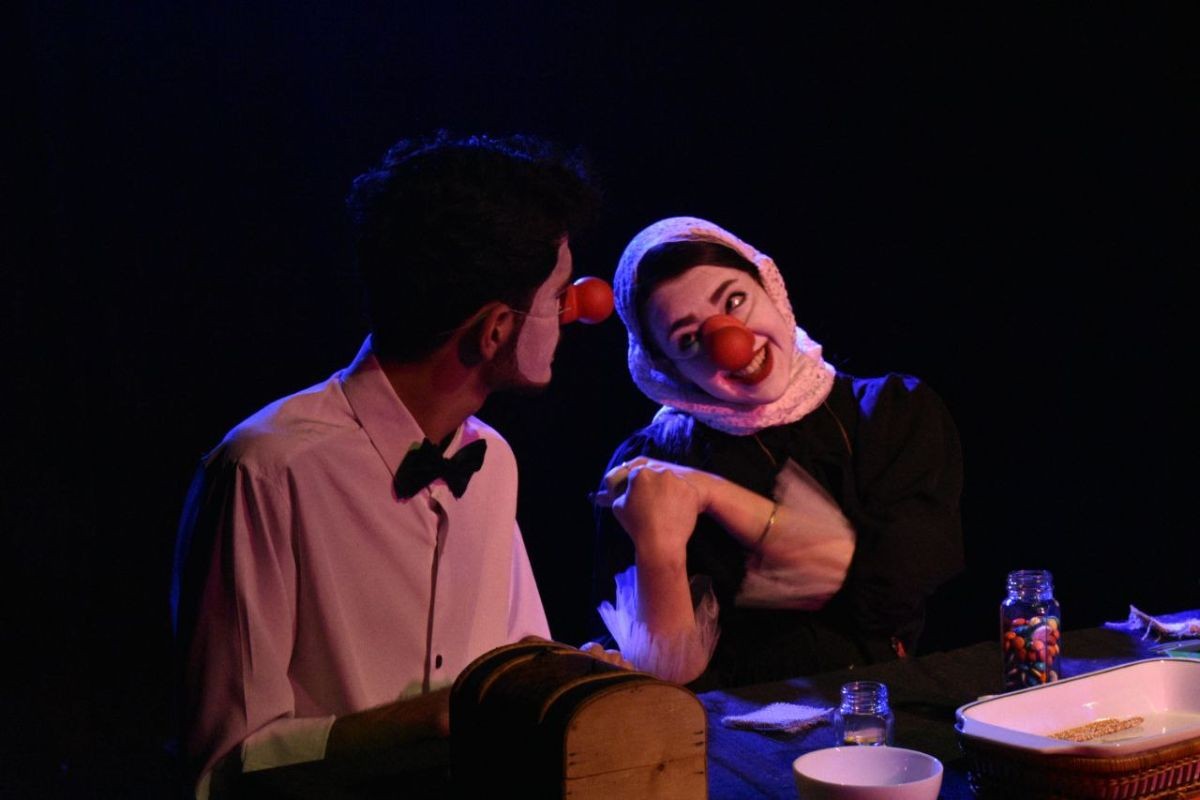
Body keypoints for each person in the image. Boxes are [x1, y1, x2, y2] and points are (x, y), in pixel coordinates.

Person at [170, 130, 622, 799]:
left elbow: (510, 663)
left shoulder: (492, 461)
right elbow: (224, 768)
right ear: (495, 329)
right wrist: (420, 723)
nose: (576, 313)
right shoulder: (267, 470)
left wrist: (563, 676)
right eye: (558, 296)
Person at [591, 216, 964, 689]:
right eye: (688, 338)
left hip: (872, 712)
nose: (729, 342)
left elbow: (889, 590)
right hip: (724, 728)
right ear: (668, 368)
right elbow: (664, 677)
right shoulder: (651, 466)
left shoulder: (889, 415)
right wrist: (658, 545)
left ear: (770, 289)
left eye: (735, 301)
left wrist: (712, 494)